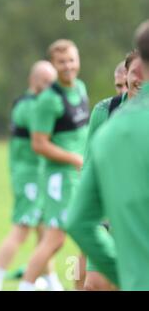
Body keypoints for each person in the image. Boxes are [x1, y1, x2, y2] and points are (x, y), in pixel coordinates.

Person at [66, 20, 149, 291]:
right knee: (92, 284)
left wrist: (126, 273)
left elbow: (78, 220)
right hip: (110, 224)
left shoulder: (114, 131)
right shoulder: (106, 114)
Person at [0, 61, 63, 291]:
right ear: (33, 81)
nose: (50, 86)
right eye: (45, 81)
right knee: (22, 229)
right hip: (29, 175)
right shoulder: (29, 106)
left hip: (39, 174)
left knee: (44, 232)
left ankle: (51, 281)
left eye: (52, 82)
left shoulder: (36, 103)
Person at [18, 39, 90, 291]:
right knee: (55, 239)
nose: (68, 66)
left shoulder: (81, 88)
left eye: (71, 59)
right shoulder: (49, 100)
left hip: (82, 177)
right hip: (59, 178)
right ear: (54, 65)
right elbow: (39, 144)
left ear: (78, 60)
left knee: (90, 237)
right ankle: (25, 287)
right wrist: (74, 158)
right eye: (61, 62)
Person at [81, 50, 141, 291]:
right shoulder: (105, 111)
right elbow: (89, 168)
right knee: (94, 285)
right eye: (135, 72)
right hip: (109, 216)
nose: (140, 78)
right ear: (126, 75)